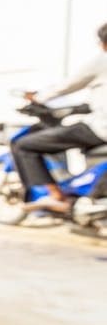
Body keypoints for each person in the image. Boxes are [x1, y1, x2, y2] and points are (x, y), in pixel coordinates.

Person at [13, 22, 107, 213]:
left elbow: (66, 86)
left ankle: (57, 196)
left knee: (24, 145)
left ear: (103, 43)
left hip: (101, 129)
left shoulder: (101, 62)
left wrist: (37, 97)